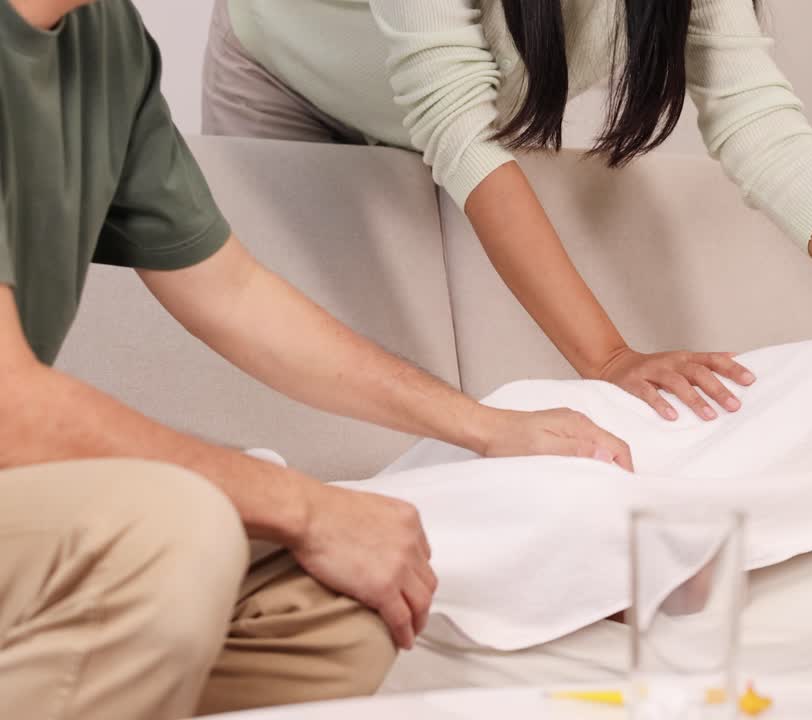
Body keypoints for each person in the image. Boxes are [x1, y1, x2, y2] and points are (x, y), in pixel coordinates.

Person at [0, 1, 634, 718]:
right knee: (177, 531)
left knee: (345, 609)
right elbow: (12, 409)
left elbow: (232, 292)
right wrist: (304, 507)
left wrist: (484, 426)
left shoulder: (104, 40)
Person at [203, 0, 812, 423]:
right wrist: (608, 355)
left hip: (440, 113)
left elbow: (756, 118)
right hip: (290, 74)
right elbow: (456, 123)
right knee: (288, 387)